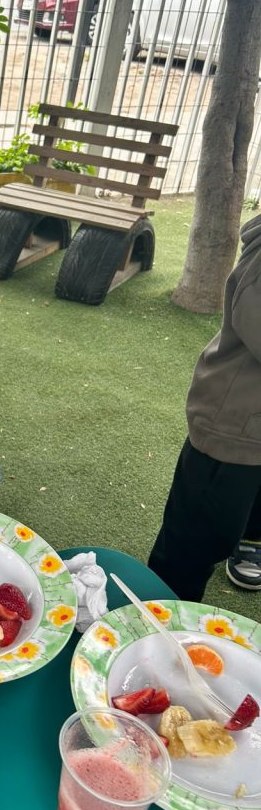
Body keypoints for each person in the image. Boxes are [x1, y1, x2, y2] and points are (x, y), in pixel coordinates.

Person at [149, 213, 261, 599]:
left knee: (248, 502)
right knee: (190, 544)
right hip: (233, 426)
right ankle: (163, 607)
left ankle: (251, 538)